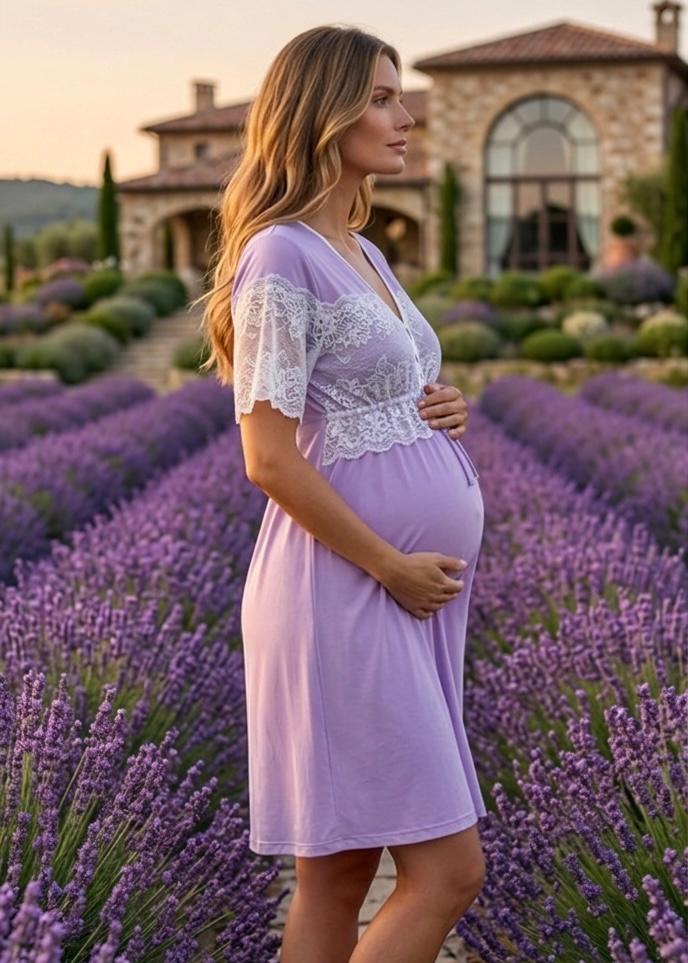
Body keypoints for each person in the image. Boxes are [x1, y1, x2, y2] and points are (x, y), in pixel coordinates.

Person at [194, 23, 487, 963]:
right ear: (320, 113)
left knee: (338, 874)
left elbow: (356, 397)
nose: (404, 117)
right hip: (347, 589)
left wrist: (436, 403)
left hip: (399, 595)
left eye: (399, 96)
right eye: (380, 98)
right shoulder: (280, 256)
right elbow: (269, 457)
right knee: (448, 871)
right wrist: (394, 565)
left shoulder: (360, 249)